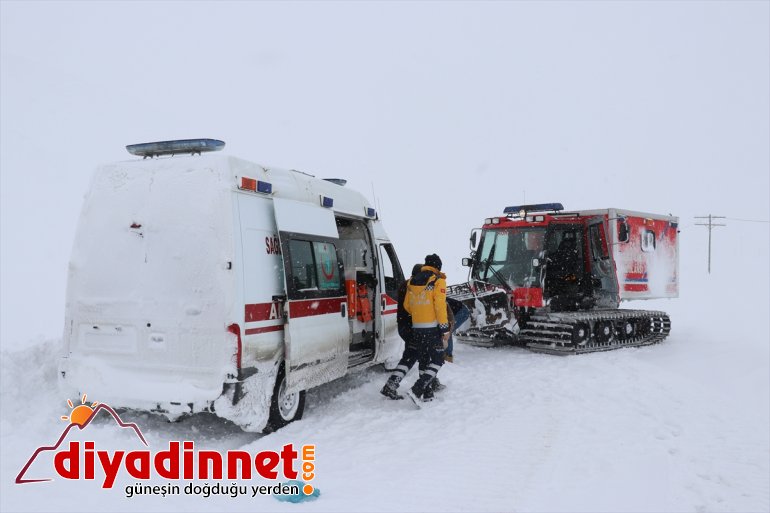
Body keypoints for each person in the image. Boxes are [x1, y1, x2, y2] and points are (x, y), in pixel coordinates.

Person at [403, 254, 450, 402]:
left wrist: (419, 314)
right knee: (438, 359)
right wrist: (444, 329)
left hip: (417, 328)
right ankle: (417, 389)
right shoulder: (438, 281)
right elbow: (440, 306)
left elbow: (407, 306)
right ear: (438, 267)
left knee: (424, 359)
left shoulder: (412, 282)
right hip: (432, 328)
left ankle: (427, 393)